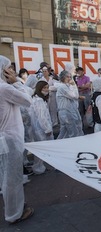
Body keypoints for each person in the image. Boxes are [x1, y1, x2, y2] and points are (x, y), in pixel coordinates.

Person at [0, 55, 34, 224]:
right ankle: (14, 213)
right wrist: (16, 82)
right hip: (10, 139)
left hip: (4, 138)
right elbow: (28, 100)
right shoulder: (4, 88)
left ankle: (14, 207)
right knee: (12, 178)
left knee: (6, 176)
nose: (12, 71)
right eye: (9, 68)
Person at [29, 81, 54, 175]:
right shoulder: (39, 101)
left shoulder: (39, 99)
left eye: (47, 87)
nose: (47, 90)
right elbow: (42, 117)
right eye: (44, 88)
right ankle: (38, 168)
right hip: (41, 129)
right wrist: (47, 129)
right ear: (39, 89)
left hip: (39, 128)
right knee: (41, 149)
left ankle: (39, 167)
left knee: (41, 148)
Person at [55, 70, 84, 139]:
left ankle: (58, 145)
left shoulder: (66, 86)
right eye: (67, 77)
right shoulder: (63, 87)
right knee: (73, 133)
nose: (69, 79)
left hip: (68, 111)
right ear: (62, 78)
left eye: (70, 77)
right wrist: (74, 85)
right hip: (67, 112)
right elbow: (74, 96)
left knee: (64, 132)